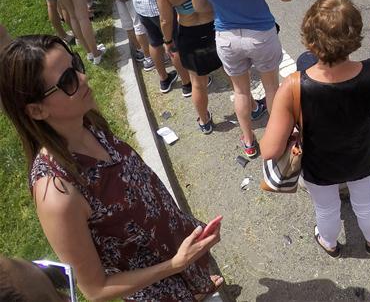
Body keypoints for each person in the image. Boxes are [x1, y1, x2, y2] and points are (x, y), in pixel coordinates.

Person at [0, 35, 222, 301]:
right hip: (159, 288)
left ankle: (198, 286)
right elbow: (96, 289)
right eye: (68, 80)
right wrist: (175, 265)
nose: (83, 78)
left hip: (175, 243)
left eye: (77, 64)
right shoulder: (57, 194)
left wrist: (185, 256)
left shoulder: (86, 119)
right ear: (36, 111)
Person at [261, 0, 370, 257]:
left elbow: (269, 150)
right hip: (362, 157)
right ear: (355, 36)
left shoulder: (293, 85)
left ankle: (329, 244)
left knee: (326, 209)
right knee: (366, 202)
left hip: (319, 167)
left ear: (309, 38)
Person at [192, 0, 292, 158]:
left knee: (240, 91)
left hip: (226, 37)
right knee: (271, 88)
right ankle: (275, 138)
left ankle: (248, 141)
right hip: (260, 35)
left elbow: (199, 7)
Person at [157, 0, 221, 134]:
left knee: (198, 84)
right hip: (215, 28)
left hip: (189, 35)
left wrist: (167, 41)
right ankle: (252, 107)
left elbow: (166, 20)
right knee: (234, 74)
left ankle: (204, 121)